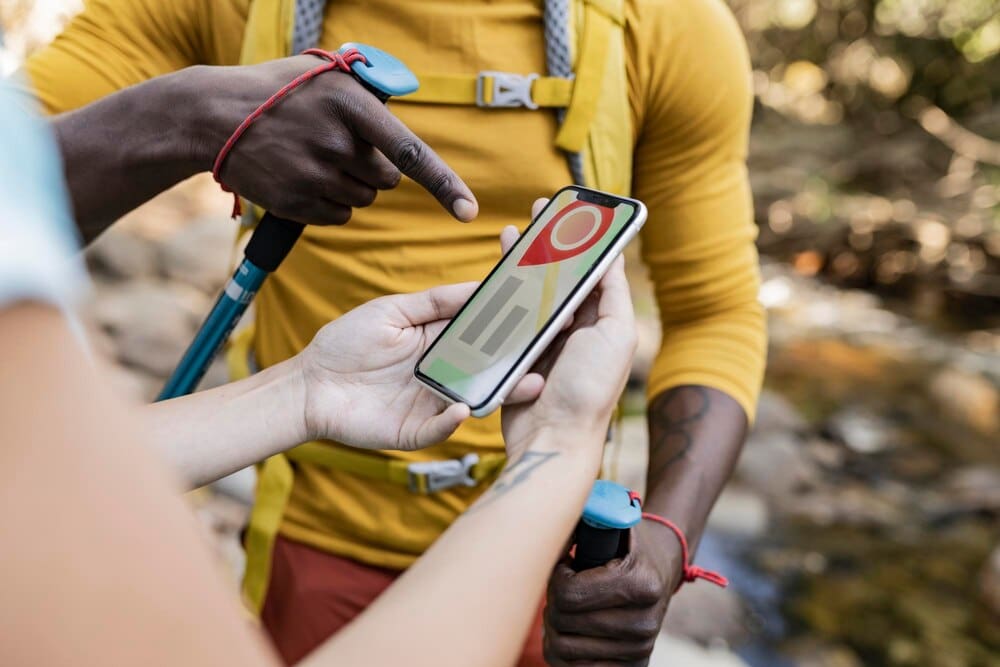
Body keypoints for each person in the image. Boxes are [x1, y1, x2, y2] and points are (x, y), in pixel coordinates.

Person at [25, 1, 767, 663]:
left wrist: (667, 535)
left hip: (568, 560)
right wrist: (187, 118)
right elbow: (12, 180)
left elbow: (715, 311)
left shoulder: (666, 24)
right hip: (313, 536)